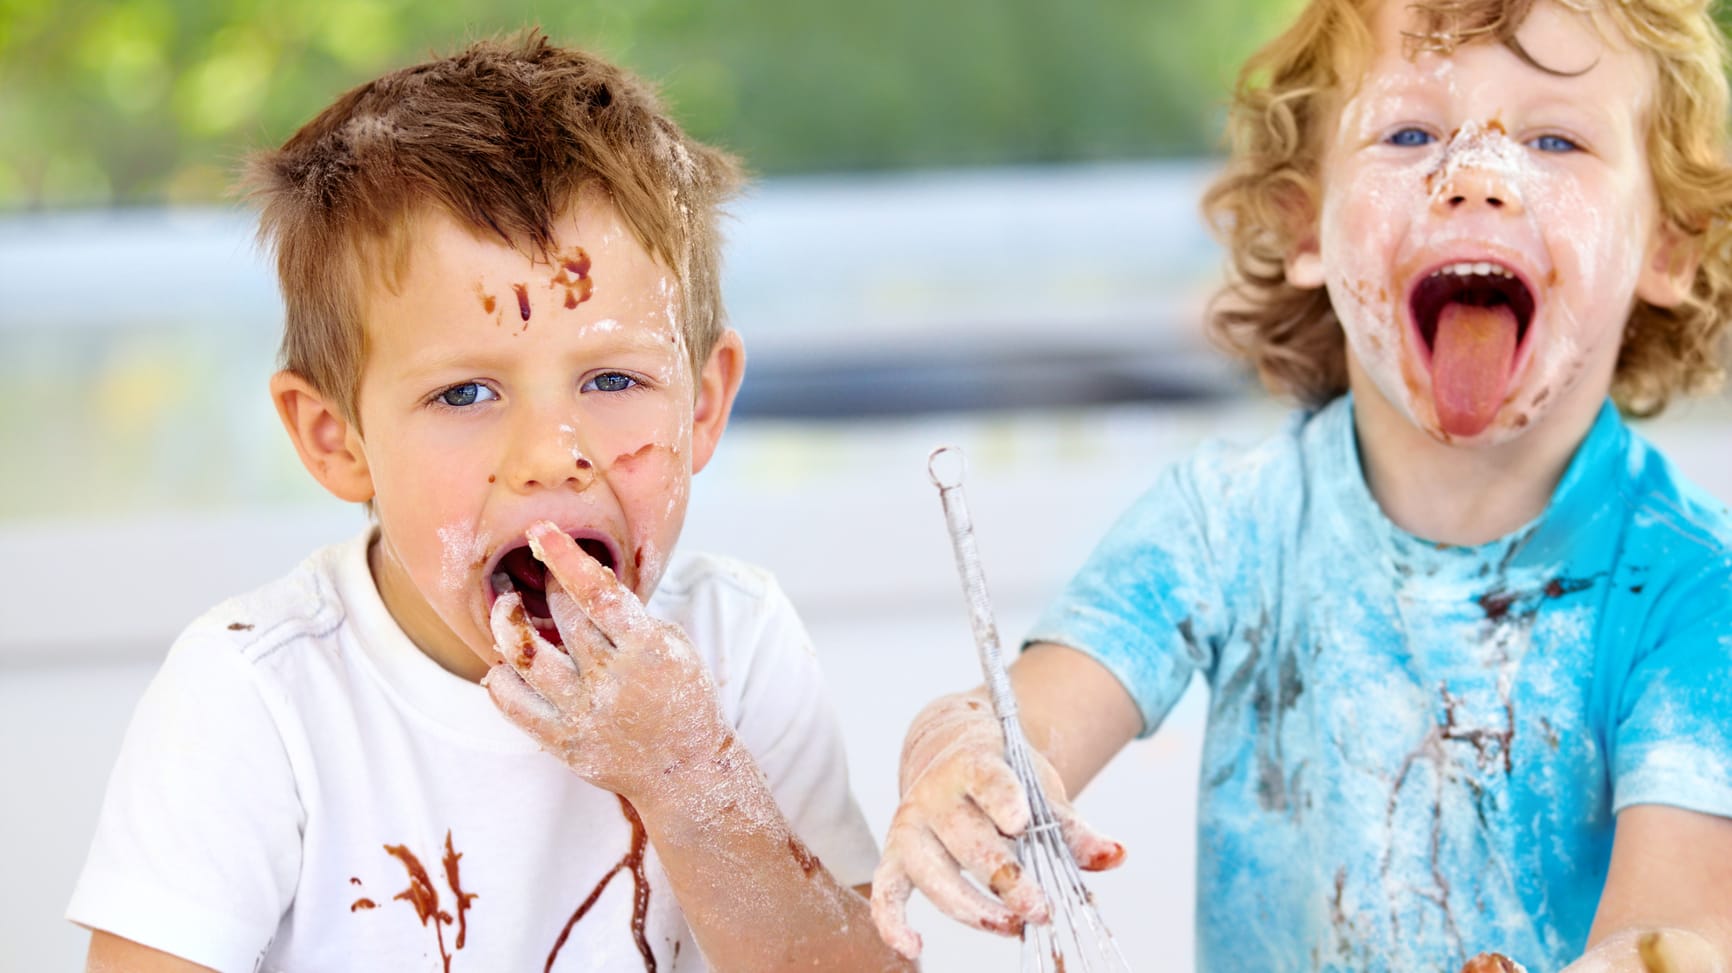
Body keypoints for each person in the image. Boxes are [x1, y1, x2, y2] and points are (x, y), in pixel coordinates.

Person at [870, 0, 1732, 970]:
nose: (1478, 179)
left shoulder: (1700, 598)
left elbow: (1672, 938)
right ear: (1302, 223)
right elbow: (1015, 721)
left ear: (1671, 244)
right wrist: (961, 766)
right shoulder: (1223, 524)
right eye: (1409, 133)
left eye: (1554, 138)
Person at [67, 33, 911, 973]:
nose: (553, 457)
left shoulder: (735, 644)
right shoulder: (258, 697)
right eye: (466, 394)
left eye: (612, 378)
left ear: (704, 405)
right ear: (335, 438)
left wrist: (689, 776)